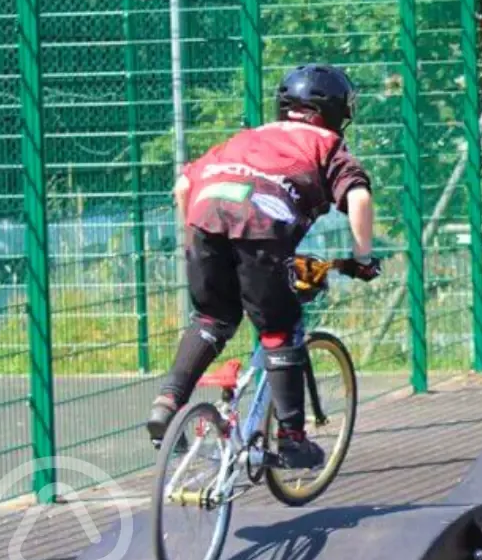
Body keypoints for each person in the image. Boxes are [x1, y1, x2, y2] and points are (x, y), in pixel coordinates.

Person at [146, 63, 381, 469]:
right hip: (260, 227)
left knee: (212, 318)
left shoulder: (247, 137)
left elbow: (183, 186)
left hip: (204, 219)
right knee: (278, 329)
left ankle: (167, 403)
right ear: (336, 112)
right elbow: (358, 198)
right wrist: (362, 258)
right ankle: (292, 440)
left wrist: (192, 243)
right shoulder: (326, 144)